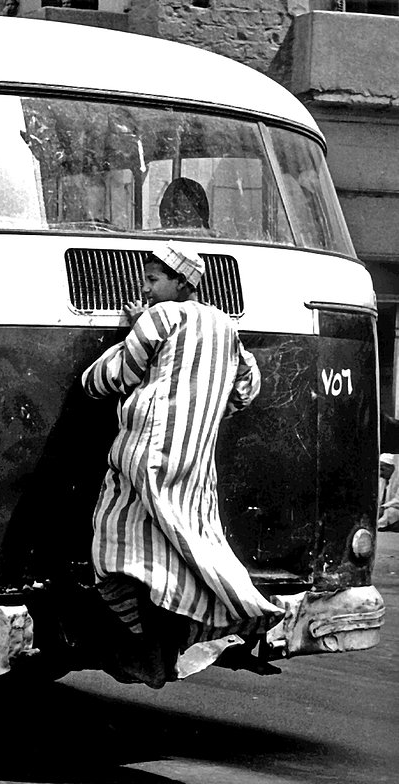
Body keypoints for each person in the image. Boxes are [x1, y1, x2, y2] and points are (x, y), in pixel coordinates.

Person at [81, 242, 282, 688]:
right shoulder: (224, 326)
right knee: (189, 547)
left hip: (144, 457)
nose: (146, 289)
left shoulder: (160, 318)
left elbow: (105, 379)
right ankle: (215, 623)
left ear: (182, 283)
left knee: (114, 542)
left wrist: (129, 332)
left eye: (153, 280)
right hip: (195, 463)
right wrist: (205, 406)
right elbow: (247, 387)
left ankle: (144, 647)